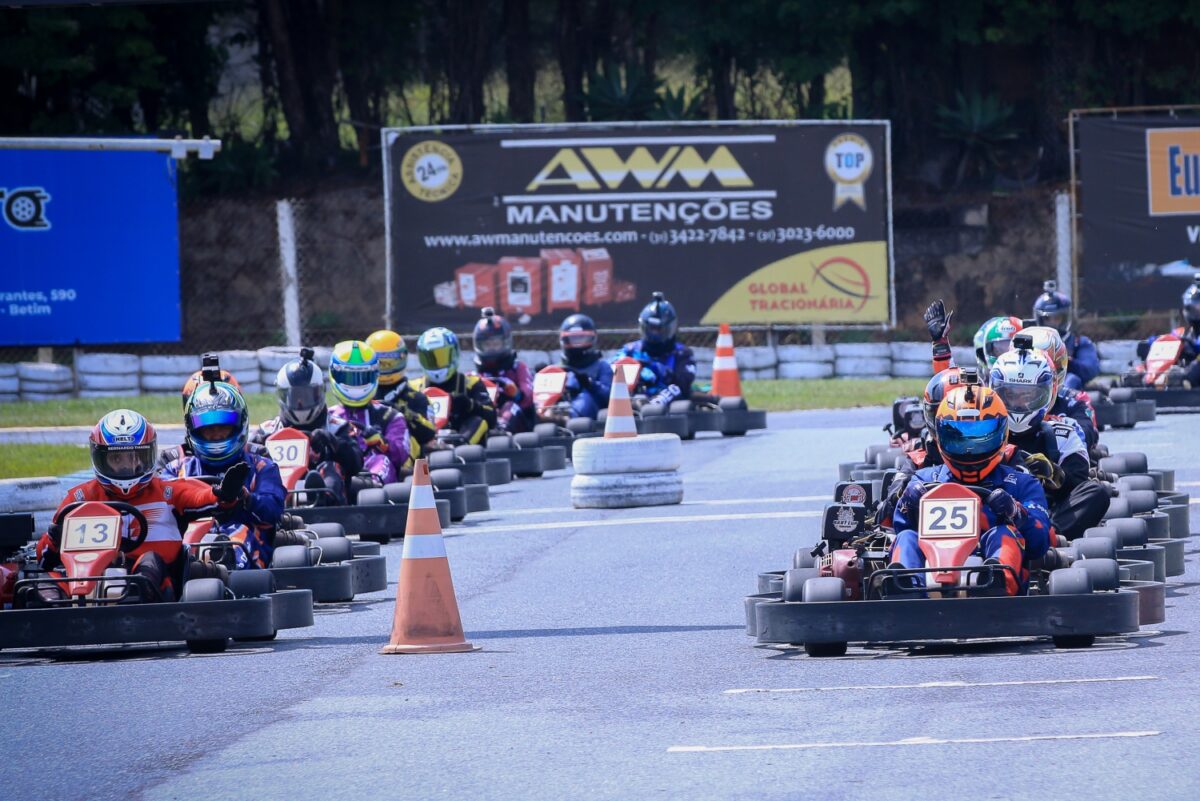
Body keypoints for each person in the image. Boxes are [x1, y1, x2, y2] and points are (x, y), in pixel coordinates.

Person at [27, 410, 247, 606]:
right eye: (116, 458)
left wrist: (222, 493)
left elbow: (200, 495)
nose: (126, 466)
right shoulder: (80, 499)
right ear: (100, 457)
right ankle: (59, 609)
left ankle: (135, 599)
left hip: (155, 581)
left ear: (148, 454)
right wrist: (54, 538)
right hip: (85, 580)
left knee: (149, 561)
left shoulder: (166, 492)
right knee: (42, 586)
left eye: (134, 457)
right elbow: (45, 557)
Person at [888, 384, 1052, 596]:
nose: (968, 448)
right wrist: (907, 504)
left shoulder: (1021, 483)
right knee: (907, 538)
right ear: (940, 435)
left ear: (1001, 433)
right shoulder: (925, 478)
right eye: (958, 437)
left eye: (979, 437)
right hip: (931, 560)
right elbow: (899, 528)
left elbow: (1040, 543)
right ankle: (904, 590)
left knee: (1004, 533)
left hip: (986, 559)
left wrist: (1015, 512)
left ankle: (995, 584)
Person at [990, 343, 1109, 540]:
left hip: (1044, 515)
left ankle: (1046, 537)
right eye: (1010, 395)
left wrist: (1054, 474)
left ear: (1047, 393)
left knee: (1097, 493)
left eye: (1028, 395)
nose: (1019, 403)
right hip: (989, 510)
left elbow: (1079, 486)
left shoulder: (1062, 433)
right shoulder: (984, 430)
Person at [162, 380, 286, 568]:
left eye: (223, 427)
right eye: (209, 429)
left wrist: (246, 498)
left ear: (238, 425)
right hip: (187, 539)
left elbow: (273, 511)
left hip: (246, 541)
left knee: (236, 538)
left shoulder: (261, 467)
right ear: (194, 429)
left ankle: (226, 572)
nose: (216, 435)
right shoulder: (176, 470)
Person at [251, 349, 363, 505]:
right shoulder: (268, 431)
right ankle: (275, 501)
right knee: (263, 472)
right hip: (277, 488)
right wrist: (259, 445)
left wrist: (334, 443)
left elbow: (356, 464)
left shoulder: (337, 428)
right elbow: (243, 458)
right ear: (284, 396)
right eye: (295, 397)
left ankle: (321, 497)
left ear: (319, 393)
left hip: (327, 501)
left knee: (330, 467)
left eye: (306, 396)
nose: (300, 403)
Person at [326, 340, 410, 486]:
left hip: (374, 476)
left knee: (381, 460)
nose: (356, 385)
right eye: (349, 378)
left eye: (362, 378)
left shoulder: (390, 416)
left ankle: (371, 485)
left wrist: (382, 443)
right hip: (339, 474)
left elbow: (401, 455)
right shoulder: (327, 417)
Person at [410, 327, 496, 445]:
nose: (436, 364)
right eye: (430, 359)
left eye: (441, 357)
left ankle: (458, 446)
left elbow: (492, 417)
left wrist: (470, 405)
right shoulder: (414, 387)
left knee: (479, 421)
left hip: (461, 444)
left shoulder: (471, 383)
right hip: (425, 440)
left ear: (454, 354)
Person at [1021, 325, 1098, 449]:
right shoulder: (1002, 401)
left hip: (1059, 460)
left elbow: (1087, 434)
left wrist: (1053, 428)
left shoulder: (1073, 402)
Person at [367, 329, 439, 459]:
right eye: (380, 363)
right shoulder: (363, 395)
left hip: (404, 464)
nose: (384, 368)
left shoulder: (417, 398)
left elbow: (429, 433)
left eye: (389, 363)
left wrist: (400, 411)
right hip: (367, 456)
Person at [617, 291, 696, 405]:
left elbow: (684, 384)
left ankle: (650, 406)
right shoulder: (630, 350)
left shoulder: (683, 354)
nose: (655, 334)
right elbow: (610, 368)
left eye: (659, 330)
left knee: (675, 389)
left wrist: (657, 369)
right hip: (630, 398)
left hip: (666, 404)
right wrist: (638, 370)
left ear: (669, 328)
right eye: (651, 329)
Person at [472, 307, 535, 433]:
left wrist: (516, 394)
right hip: (488, 415)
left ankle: (501, 431)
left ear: (505, 343)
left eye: (495, 344)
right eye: (488, 345)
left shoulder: (518, 368)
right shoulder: (475, 376)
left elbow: (528, 397)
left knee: (509, 406)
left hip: (520, 422)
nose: (492, 349)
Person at [1033, 280, 1099, 390]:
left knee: (1072, 379)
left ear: (1065, 318)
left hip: (1070, 391)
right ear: (1040, 319)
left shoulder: (1078, 342)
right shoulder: (1032, 343)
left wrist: (1065, 360)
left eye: (1057, 318)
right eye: (1048, 319)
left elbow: (1091, 370)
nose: (1053, 323)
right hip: (1036, 387)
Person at [1137, 272, 1200, 387]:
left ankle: (1186, 381)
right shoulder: (1186, 334)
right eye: (1194, 307)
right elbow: (1172, 338)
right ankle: (1146, 379)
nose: (1197, 311)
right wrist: (1151, 343)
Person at [558, 313, 613, 419]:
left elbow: (610, 396)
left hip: (591, 411)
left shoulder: (602, 367)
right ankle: (549, 419)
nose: (577, 343)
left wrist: (590, 384)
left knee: (585, 397)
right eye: (573, 339)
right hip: (560, 406)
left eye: (581, 339)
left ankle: (567, 418)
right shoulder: (558, 369)